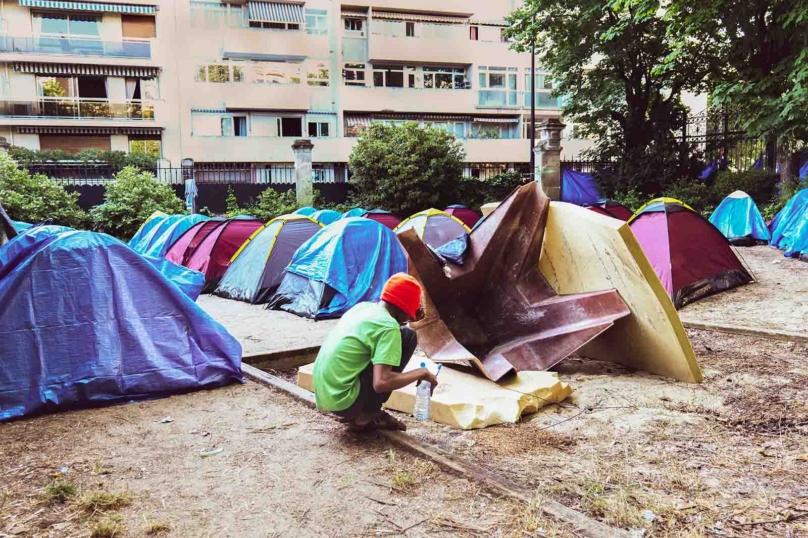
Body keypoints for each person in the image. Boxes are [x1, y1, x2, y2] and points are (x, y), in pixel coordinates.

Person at [312, 273, 439, 432]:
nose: (411, 316)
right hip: (343, 402)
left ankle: (359, 411)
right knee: (408, 338)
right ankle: (367, 414)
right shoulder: (388, 327)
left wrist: (409, 316)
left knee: (406, 334)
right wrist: (422, 373)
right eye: (411, 311)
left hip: (326, 393)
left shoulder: (363, 307)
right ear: (404, 308)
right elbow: (381, 383)